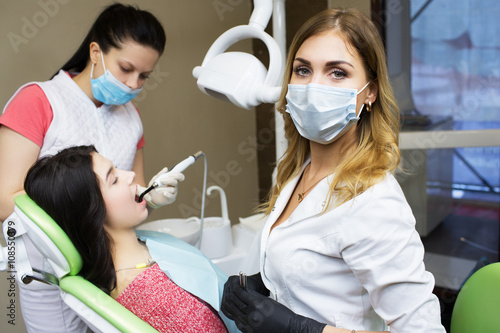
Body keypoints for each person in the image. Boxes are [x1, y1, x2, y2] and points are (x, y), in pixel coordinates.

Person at [221, 8, 446, 333]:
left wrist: (303, 330)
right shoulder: (295, 171)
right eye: (303, 70)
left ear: (370, 92)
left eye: (337, 73)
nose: (313, 87)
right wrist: (262, 286)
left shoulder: (374, 203)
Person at [0, 4, 183, 332]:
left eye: (143, 76)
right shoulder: (39, 101)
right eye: (125, 68)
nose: (132, 84)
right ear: (96, 52)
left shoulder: (131, 119)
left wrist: (150, 197)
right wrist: (86, 208)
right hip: (53, 273)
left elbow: (133, 194)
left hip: (116, 274)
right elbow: (5, 200)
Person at [23, 145, 239, 333]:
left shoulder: (142, 246)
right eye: (114, 179)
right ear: (91, 212)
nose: (130, 175)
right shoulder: (154, 296)